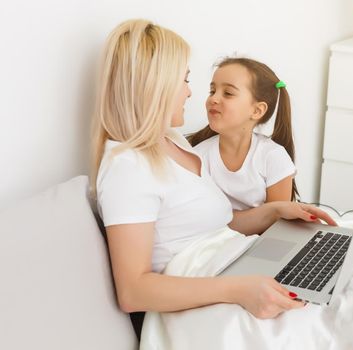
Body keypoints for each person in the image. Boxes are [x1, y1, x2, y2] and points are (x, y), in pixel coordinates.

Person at [90, 19, 336, 321]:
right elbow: (133, 291)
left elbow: (212, 227)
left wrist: (276, 211)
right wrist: (239, 290)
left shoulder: (172, 141)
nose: (191, 94)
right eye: (185, 80)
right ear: (156, 86)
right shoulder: (126, 168)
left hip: (238, 269)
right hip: (216, 302)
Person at [188, 58, 298, 210]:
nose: (213, 98)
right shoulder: (197, 157)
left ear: (257, 111)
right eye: (212, 91)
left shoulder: (272, 157)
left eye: (228, 93)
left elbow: (279, 222)